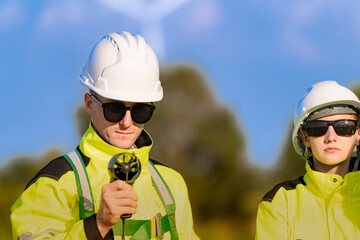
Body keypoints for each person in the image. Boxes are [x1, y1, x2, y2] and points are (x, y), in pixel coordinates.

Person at [11, 31, 200, 240]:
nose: (127, 122)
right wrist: (98, 225)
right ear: (90, 104)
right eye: (115, 109)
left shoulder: (172, 184)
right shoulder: (53, 184)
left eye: (140, 111)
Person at [255, 80, 360, 239]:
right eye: (318, 128)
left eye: (344, 127)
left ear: (358, 134)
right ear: (304, 137)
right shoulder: (280, 201)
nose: (331, 137)